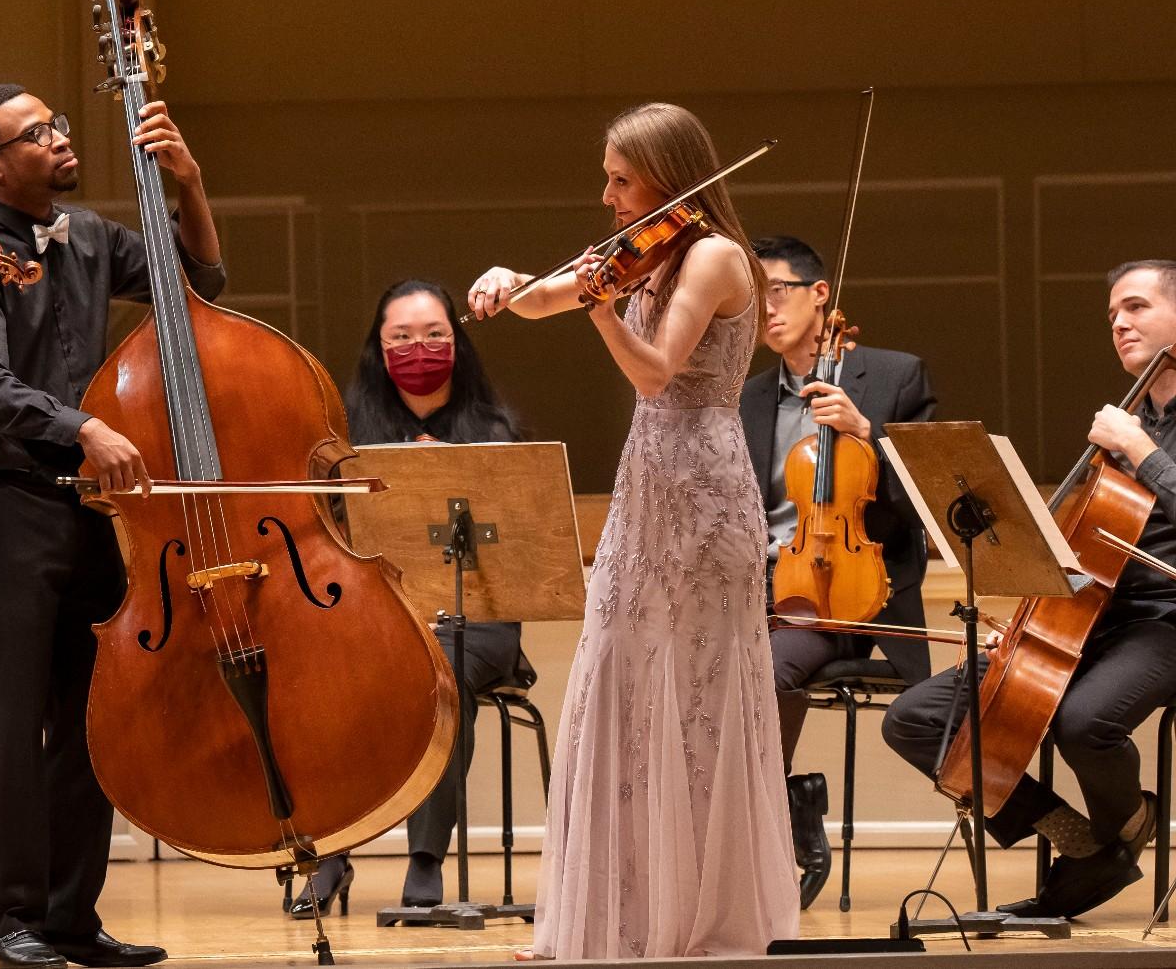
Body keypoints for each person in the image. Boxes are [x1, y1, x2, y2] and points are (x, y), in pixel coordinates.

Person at [470, 102, 800, 958]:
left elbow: (656, 375)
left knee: (694, 690)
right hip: (647, 481)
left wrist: (600, 309)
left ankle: (698, 917)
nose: (609, 195)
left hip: (704, 483)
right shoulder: (641, 255)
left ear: (668, 176)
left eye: (622, 179)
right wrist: (511, 280)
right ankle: (621, 918)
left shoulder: (716, 257)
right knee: (617, 668)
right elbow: (546, 297)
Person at [0, 83, 223, 969]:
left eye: (57, 124)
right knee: (12, 722)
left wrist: (191, 185)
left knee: (90, 716)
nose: (59, 138)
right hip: (3, 506)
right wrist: (84, 425)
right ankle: (4, 922)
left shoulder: (90, 235)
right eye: (37, 132)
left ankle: (67, 917)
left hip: (90, 509)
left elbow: (196, 286)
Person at [881, 259, 1176, 919]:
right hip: (1086, 618)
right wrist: (1033, 602)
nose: (1119, 325)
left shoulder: (1127, 434)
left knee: (1084, 722)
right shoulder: (1121, 427)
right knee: (915, 720)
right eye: (1111, 317)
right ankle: (1078, 843)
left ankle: (1127, 825)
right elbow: (1081, 544)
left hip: (1164, 624)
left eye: (1135, 308)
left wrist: (1146, 453)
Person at [286, 279, 532, 918]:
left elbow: (519, 542)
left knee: (439, 671)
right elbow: (324, 528)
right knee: (327, 675)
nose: (417, 349)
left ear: (457, 342)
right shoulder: (346, 429)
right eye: (400, 337)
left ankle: (426, 858)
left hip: (474, 616)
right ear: (378, 346)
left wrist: (449, 475)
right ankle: (333, 849)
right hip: (379, 607)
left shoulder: (495, 427)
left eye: (433, 336)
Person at [742, 235, 935, 907]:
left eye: (776, 290)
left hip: (854, 592)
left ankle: (786, 827)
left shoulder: (895, 377)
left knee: (762, 672)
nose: (763, 308)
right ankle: (762, 830)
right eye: (752, 296)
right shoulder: (749, 398)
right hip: (764, 586)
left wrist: (866, 435)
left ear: (819, 294)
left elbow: (929, 502)